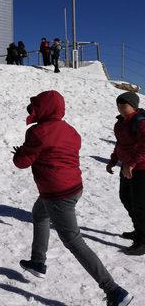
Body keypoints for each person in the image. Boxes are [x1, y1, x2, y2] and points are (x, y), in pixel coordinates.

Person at [13, 91, 133, 306]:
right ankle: (37, 261)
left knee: (73, 241)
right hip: (73, 187)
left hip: (57, 194)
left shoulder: (38, 132)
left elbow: (22, 162)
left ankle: (114, 291)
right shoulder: (70, 130)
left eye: (36, 106)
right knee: (39, 213)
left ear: (45, 108)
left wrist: (20, 152)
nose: (33, 110)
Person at [107, 92, 145, 256]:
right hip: (127, 168)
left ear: (133, 106)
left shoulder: (140, 123)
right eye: (119, 105)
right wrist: (113, 160)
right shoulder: (120, 123)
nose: (121, 108)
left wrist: (131, 163)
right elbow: (120, 145)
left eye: (124, 105)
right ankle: (139, 230)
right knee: (126, 198)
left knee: (140, 205)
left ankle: (143, 241)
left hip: (142, 169)